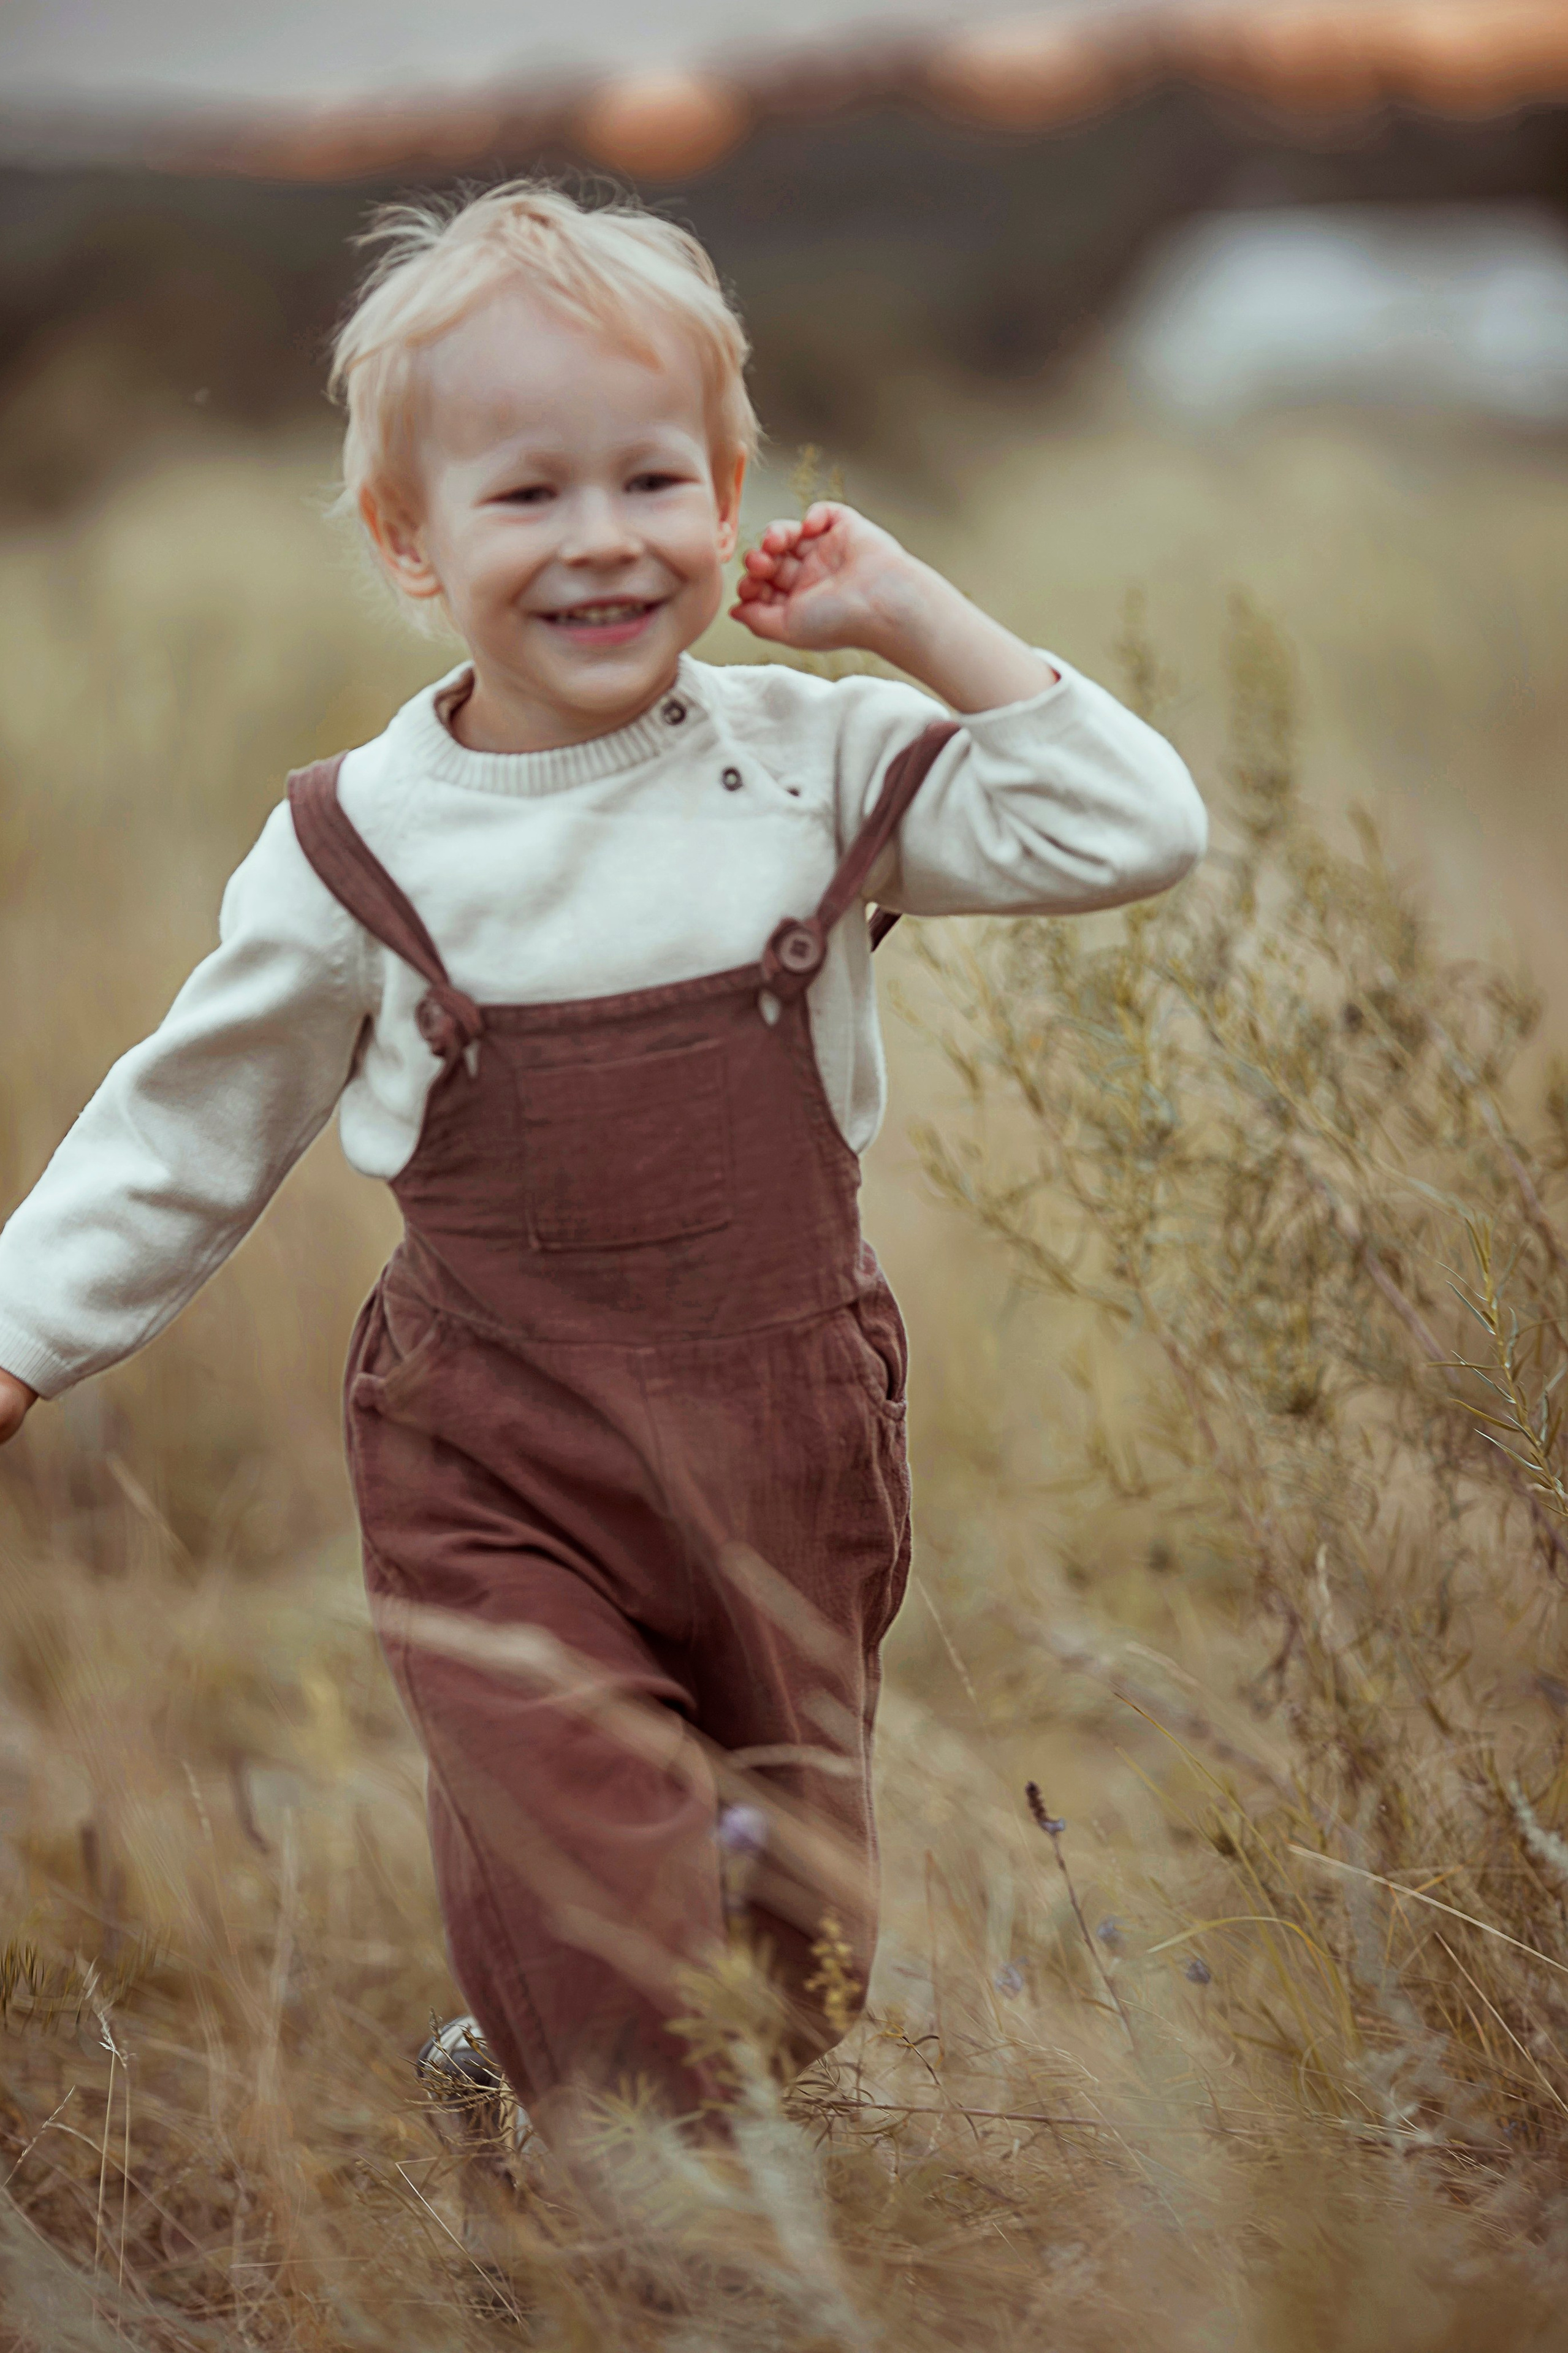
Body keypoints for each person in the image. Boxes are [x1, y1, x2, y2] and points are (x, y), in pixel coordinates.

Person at [0, 183, 1206, 2159]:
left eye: (653, 479)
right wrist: (23, 1333)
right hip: (503, 1457)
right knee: (612, 1879)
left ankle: (569, 2085)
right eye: (525, 495)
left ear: (731, 501)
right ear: (409, 542)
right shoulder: (359, 851)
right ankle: (620, 2201)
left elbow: (1132, 823)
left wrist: (911, 610)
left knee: (790, 1950)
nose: (600, 541)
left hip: (792, 1445)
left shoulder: (817, 767)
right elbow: (180, 1126)